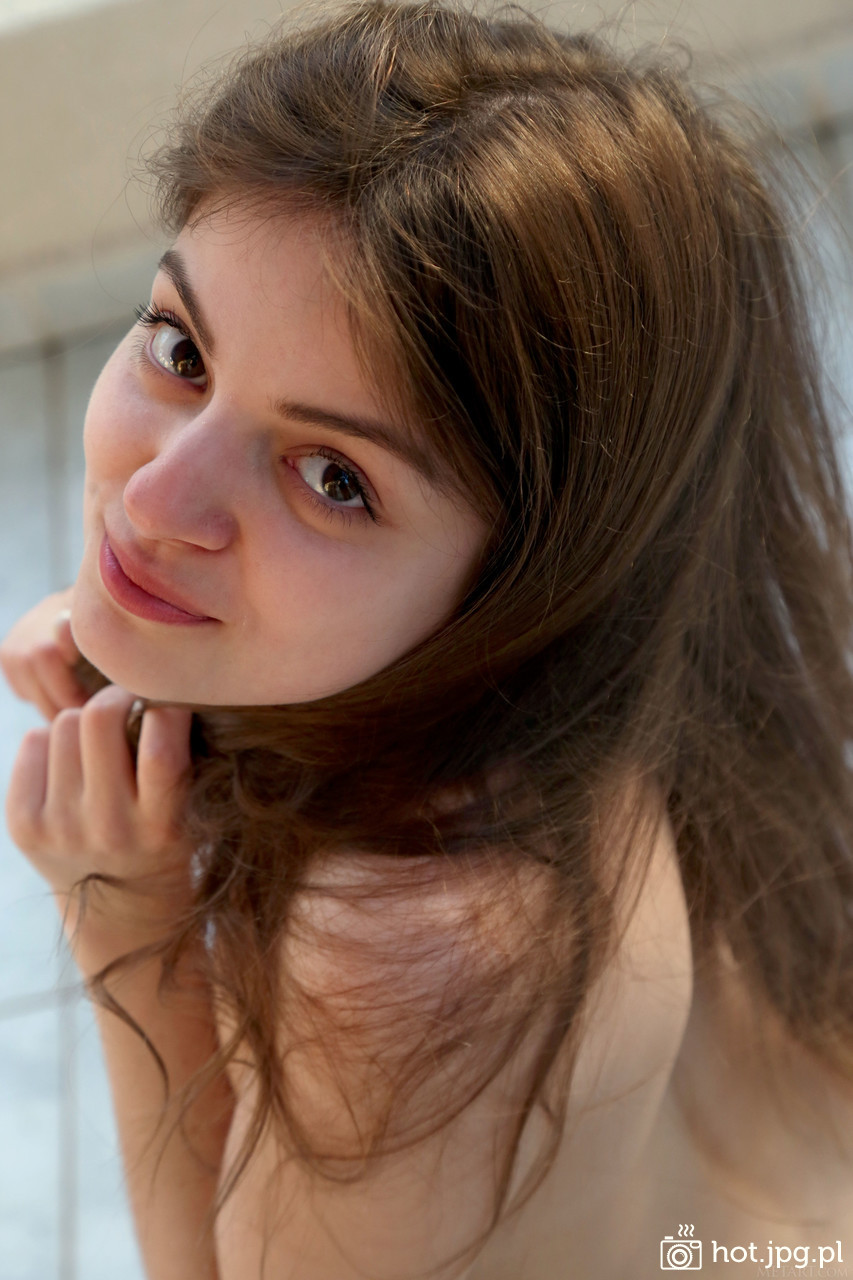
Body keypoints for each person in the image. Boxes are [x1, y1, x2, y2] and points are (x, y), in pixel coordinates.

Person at [2, 1, 853, 1276]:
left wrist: (123, 914)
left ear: (524, 580)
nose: (154, 500)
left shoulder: (404, 961)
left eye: (331, 476)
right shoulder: (619, 648)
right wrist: (172, 659)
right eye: (181, 350)